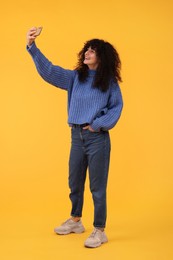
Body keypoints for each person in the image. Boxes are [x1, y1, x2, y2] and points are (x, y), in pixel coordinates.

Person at [26, 27, 123, 248]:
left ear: (102, 57)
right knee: (74, 181)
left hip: (97, 139)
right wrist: (32, 47)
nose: (87, 53)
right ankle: (76, 221)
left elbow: (116, 108)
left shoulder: (109, 83)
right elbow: (49, 71)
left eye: (93, 51)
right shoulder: (75, 78)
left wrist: (97, 125)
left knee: (97, 187)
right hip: (76, 135)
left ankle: (99, 230)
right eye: (86, 49)